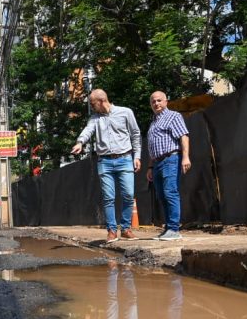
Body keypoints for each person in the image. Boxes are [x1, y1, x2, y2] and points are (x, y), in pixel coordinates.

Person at [70, 89, 142, 243]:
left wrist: (137, 156)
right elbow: (87, 131)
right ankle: (111, 230)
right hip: (105, 162)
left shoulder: (125, 112)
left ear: (101, 101)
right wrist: (80, 142)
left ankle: (126, 228)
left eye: (92, 103)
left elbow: (135, 134)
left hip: (125, 159)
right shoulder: (95, 119)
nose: (91, 106)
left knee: (128, 195)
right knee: (109, 198)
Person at [146, 91, 191, 241]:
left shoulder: (173, 116)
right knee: (162, 196)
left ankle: (174, 229)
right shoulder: (153, 121)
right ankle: (168, 228)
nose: (156, 103)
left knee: (170, 192)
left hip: (171, 159)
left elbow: (183, 136)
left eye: (159, 100)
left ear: (166, 101)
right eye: (153, 101)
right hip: (157, 163)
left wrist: (185, 157)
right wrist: (150, 167)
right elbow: (152, 147)